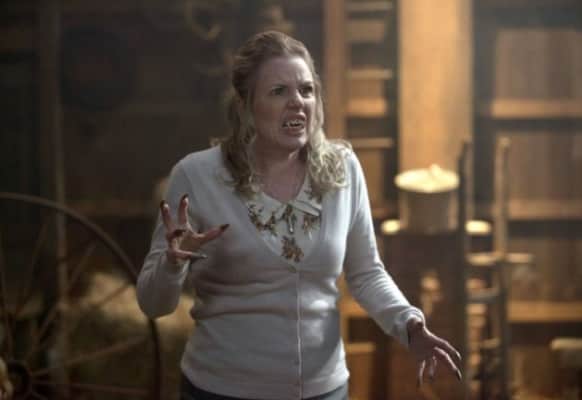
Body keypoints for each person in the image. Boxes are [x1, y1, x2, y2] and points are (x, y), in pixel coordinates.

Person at [137, 30, 462, 400]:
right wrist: (172, 264)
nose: (297, 102)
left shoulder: (342, 169)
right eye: (279, 91)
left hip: (325, 390)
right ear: (245, 105)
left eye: (306, 90)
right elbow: (152, 304)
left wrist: (410, 325)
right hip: (223, 390)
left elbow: (366, 273)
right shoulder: (196, 176)